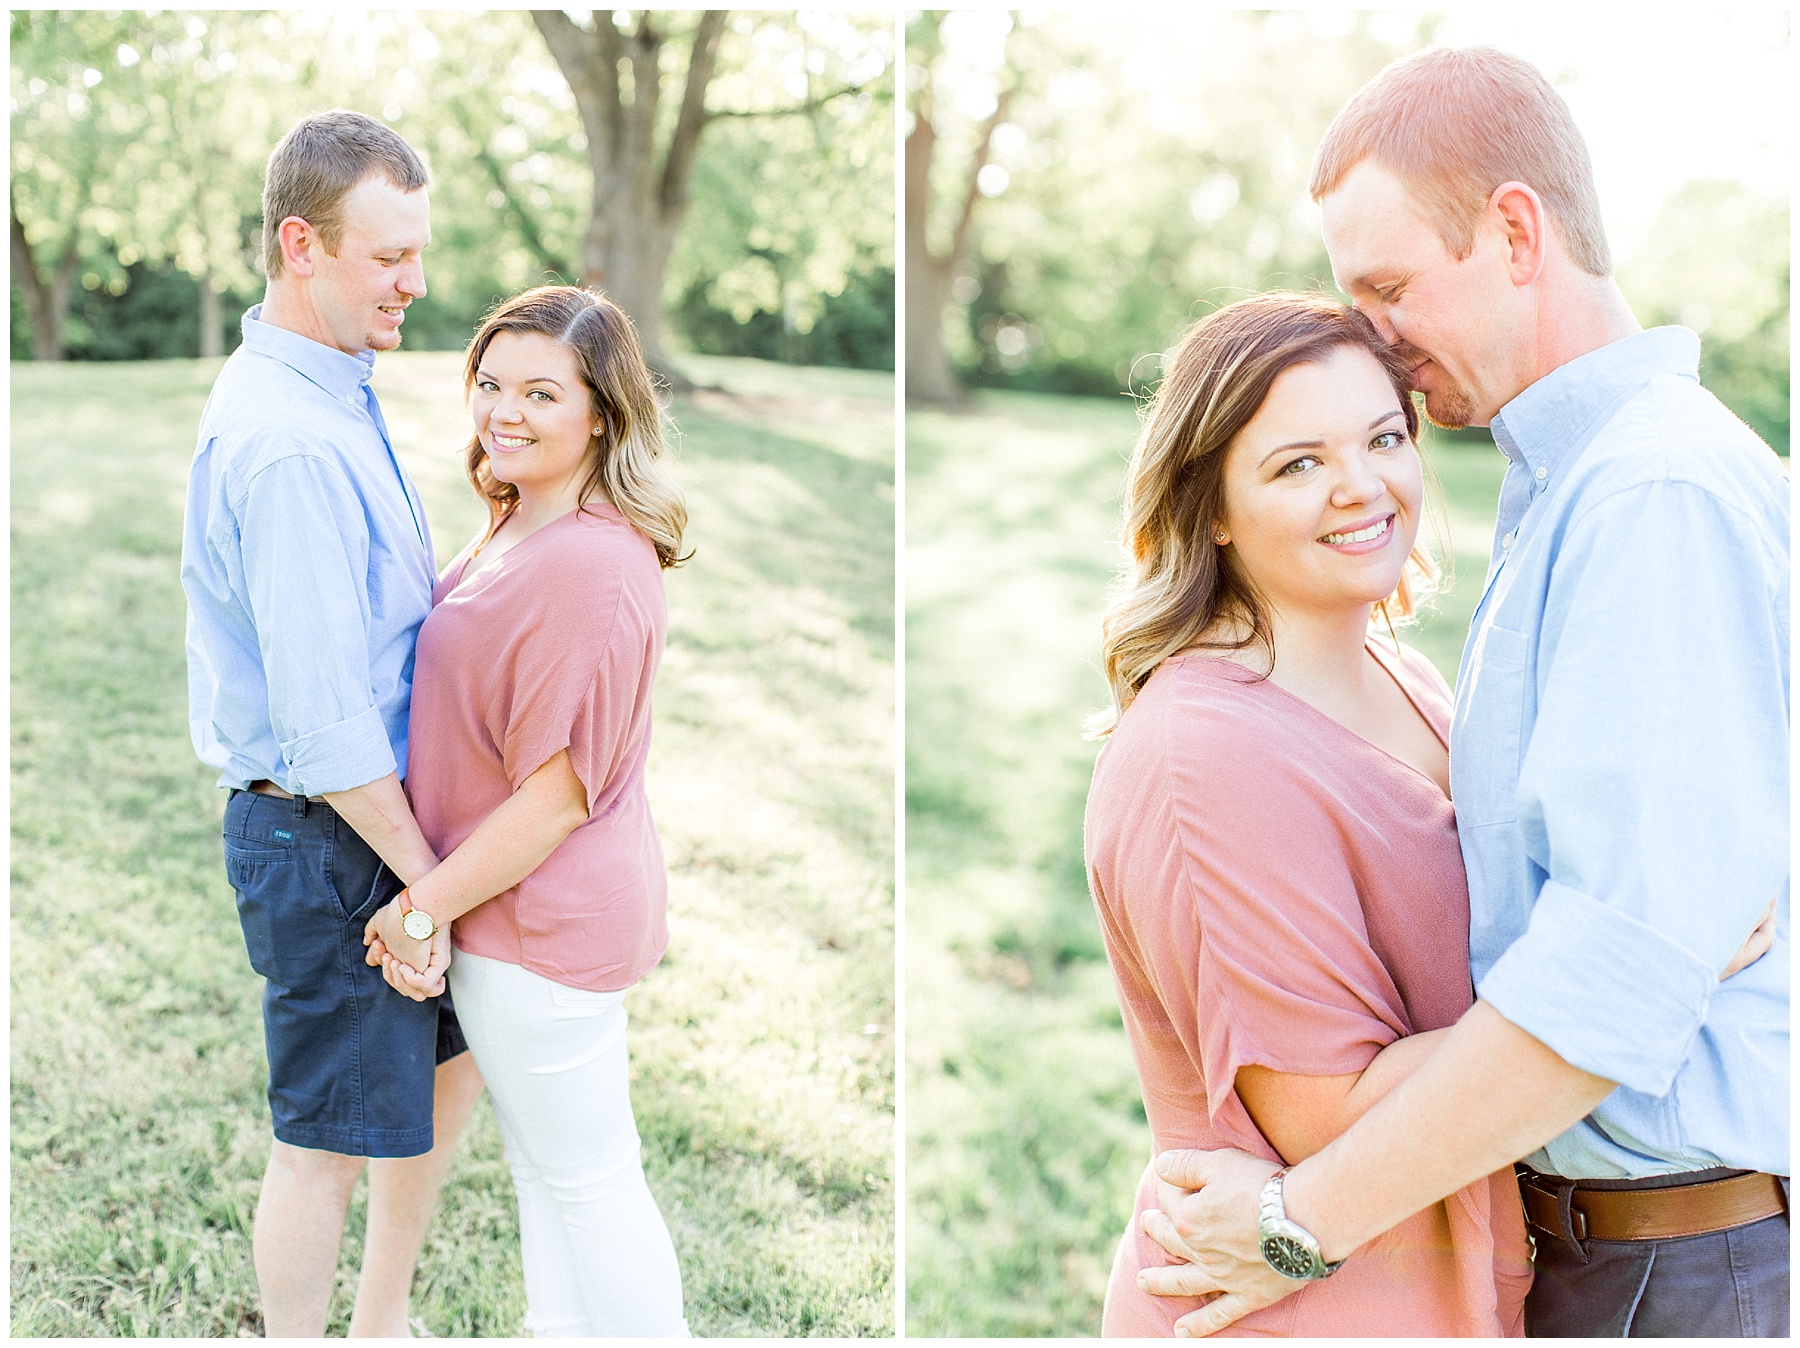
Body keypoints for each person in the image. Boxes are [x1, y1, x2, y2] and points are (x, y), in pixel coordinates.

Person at [1137, 46, 1789, 1339]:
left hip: (1679, 1267)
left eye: (1388, 287)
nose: (1371, 339)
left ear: (1513, 232)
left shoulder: (1649, 494)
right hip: (1610, 1252)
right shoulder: (1574, 486)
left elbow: (1615, 978)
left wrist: (1298, 1223)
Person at [1086, 291, 1532, 1336]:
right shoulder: (1203, 756)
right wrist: (1633, 956)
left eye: (1384, 437)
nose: (1362, 486)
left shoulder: (1402, 672)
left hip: (1450, 1277)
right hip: (1309, 1305)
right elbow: (1327, 1116)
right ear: (1212, 509)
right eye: (1298, 463)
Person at [180, 110, 484, 1337]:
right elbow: (324, 722)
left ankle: (383, 1320)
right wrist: (430, 889)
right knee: (324, 1142)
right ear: (301, 244)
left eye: (419, 251)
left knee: (441, 1082)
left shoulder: (330, 380)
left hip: (399, 833)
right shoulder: (288, 440)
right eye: (387, 256)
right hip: (334, 839)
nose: (414, 282)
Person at [364, 285, 690, 1337]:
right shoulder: (520, 520)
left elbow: (552, 800)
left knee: (589, 1185)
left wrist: (422, 906)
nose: (504, 410)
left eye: (541, 392)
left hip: (538, 923)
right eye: (492, 383)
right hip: (507, 914)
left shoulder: (593, 562)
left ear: (602, 411)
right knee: (550, 1185)